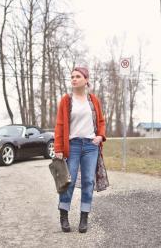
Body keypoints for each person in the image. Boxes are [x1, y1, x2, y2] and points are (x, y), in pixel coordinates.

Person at [54, 67, 106, 233]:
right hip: (73, 146)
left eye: (78, 76)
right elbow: (60, 125)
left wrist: (100, 136)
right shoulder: (66, 100)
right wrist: (58, 148)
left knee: (88, 181)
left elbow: (102, 121)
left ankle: (84, 217)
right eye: (72, 77)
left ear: (86, 79)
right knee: (67, 181)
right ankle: (64, 215)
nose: (74, 79)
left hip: (91, 146)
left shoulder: (94, 100)